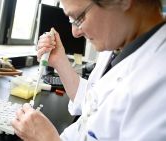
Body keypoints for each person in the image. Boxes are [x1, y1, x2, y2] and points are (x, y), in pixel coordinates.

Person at [11, 0, 166, 140]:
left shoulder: (159, 84)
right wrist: (59, 60)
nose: (75, 32)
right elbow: (92, 103)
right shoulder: (115, 46)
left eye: (79, 18)